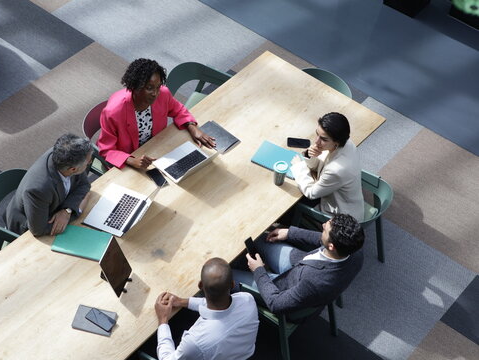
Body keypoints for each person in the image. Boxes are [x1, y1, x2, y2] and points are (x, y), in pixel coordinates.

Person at [232, 214, 364, 315]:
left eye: (325, 229)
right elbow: (322, 239)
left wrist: (259, 271)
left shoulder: (313, 282)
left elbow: (276, 304)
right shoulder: (354, 250)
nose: (323, 225)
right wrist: (289, 233)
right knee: (259, 237)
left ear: (331, 247)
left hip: (280, 289)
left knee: (226, 276)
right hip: (300, 266)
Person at [97, 58, 216, 169]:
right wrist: (131, 160)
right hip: (129, 160)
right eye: (149, 88)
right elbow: (106, 150)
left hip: (156, 149)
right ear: (135, 86)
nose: (155, 93)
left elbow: (179, 110)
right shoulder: (113, 112)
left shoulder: (163, 94)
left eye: (158, 87)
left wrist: (193, 127)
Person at [153, 257, 259, 360]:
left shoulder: (194, 342)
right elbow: (218, 303)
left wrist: (163, 320)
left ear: (200, 286)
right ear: (232, 284)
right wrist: (182, 302)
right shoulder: (247, 300)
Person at [5, 134, 92, 237]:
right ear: (73, 169)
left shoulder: (68, 157)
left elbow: (84, 186)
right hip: (28, 229)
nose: (90, 162)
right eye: (88, 162)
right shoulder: (38, 190)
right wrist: (77, 211)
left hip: (53, 208)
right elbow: (39, 230)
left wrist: (67, 211)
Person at [290, 112, 364, 221]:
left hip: (341, 218)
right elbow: (320, 166)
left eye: (324, 139)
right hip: (349, 202)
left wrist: (298, 167)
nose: (316, 141)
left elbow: (311, 192)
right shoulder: (347, 143)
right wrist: (310, 155)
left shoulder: (337, 170)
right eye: (317, 134)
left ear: (336, 142)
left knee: (287, 211)